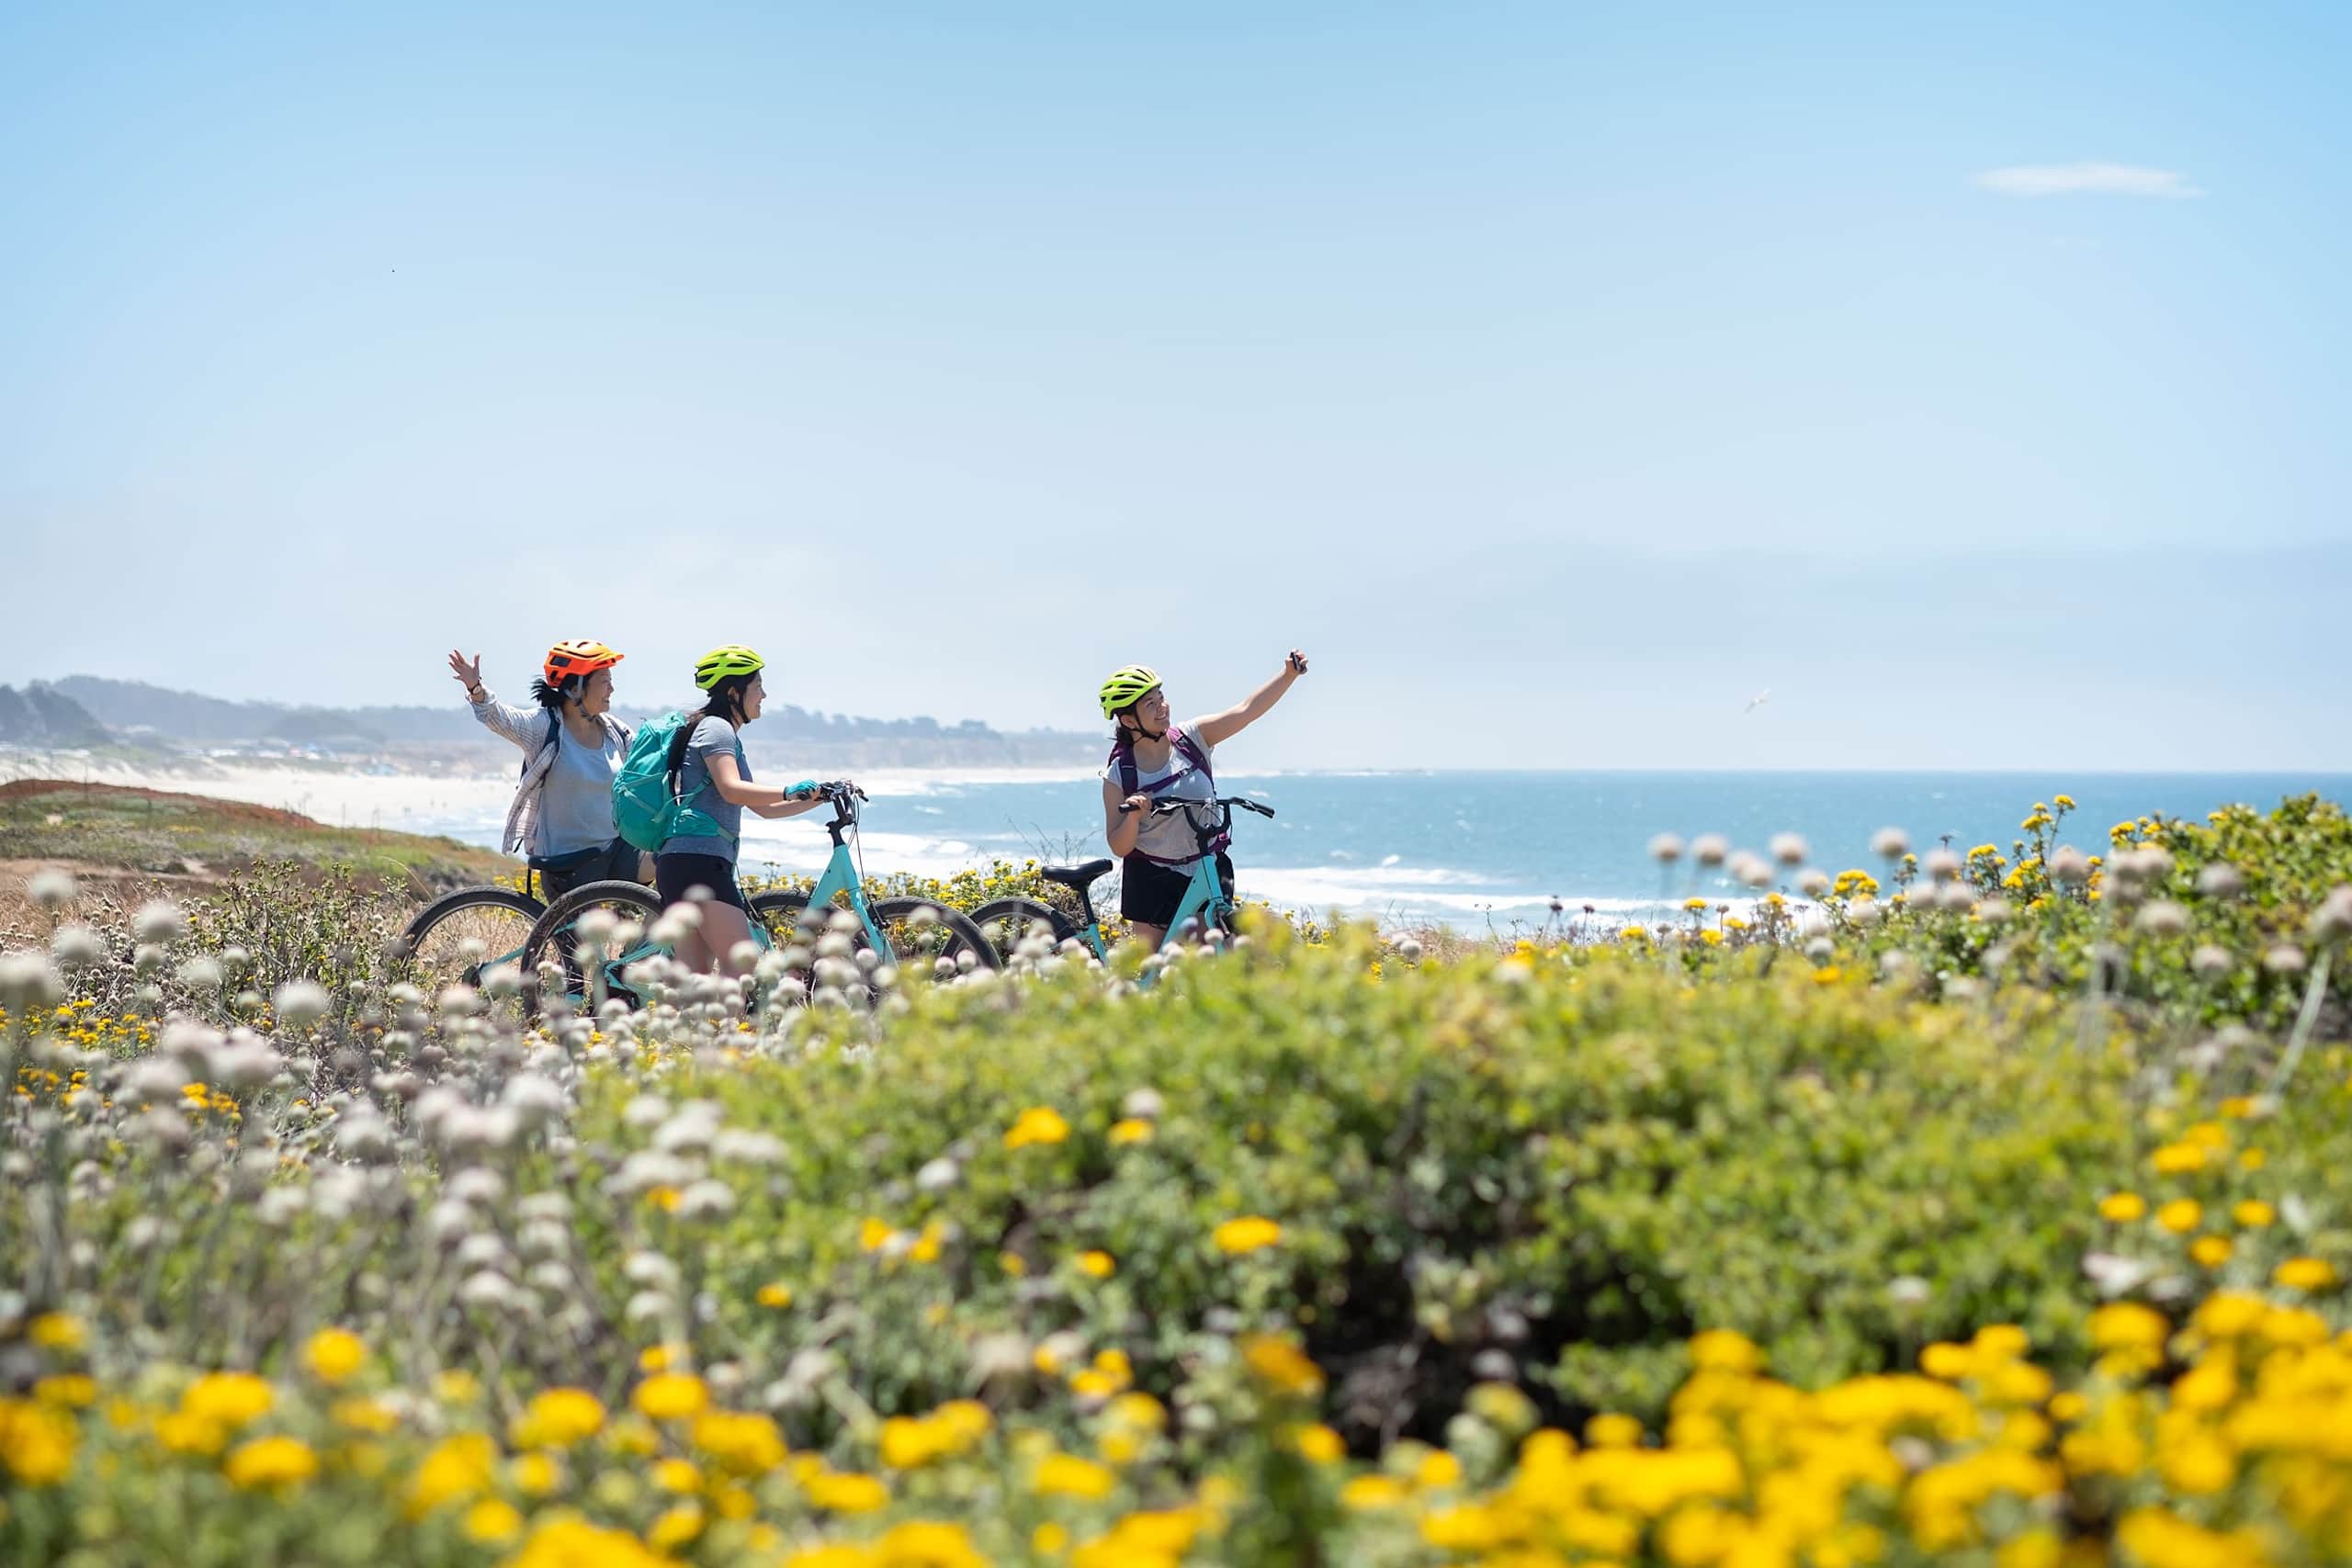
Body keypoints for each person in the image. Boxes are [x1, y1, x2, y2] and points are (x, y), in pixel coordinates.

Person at [1099, 651, 1308, 950]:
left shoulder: (1192, 738)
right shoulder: (1120, 774)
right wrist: (1133, 815)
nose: (1162, 707)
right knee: (1155, 975)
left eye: (1161, 697)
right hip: (1152, 878)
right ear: (1129, 719)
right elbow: (1119, 845)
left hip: (1205, 868)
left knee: (1218, 955)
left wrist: (1288, 675)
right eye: (1150, 704)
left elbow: (1246, 711)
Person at [655, 645, 838, 973]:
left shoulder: (721, 731)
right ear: (733, 691)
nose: (764, 694)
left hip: (687, 863)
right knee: (743, 967)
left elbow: (762, 808)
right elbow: (732, 788)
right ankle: (732, 1026)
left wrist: (815, 799)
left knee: (695, 985)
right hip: (699, 863)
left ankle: (702, 1026)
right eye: (758, 686)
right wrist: (788, 789)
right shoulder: (717, 729)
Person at [448, 641, 647, 901]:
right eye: (604, 681)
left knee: (674, 858)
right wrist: (476, 688)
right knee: (585, 944)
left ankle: (645, 941)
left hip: (616, 852)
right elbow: (499, 718)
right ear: (576, 687)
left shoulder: (614, 731)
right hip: (572, 865)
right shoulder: (545, 727)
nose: (612, 688)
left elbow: (646, 760)